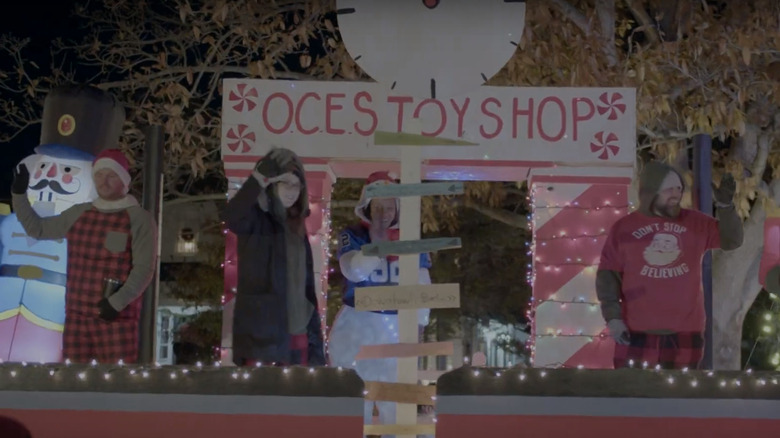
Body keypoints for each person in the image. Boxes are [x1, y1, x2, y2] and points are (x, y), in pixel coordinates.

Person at [0, 85, 122, 363]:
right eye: (45, 168)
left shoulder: (88, 226)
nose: (51, 177)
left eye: (67, 170)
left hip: (52, 310)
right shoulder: (11, 217)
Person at [11, 148, 157, 364]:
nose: (103, 181)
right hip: (77, 318)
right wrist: (19, 195)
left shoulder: (139, 219)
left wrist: (117, 302)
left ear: (124, 181)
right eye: (99, 174)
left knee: (118, 384)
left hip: (116, 319)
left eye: (111, 175)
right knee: (76, 386)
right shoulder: (79, 212)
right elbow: (38, 229)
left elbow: (144, 269)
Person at [597, 161, 743, 369]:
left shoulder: (696, 223)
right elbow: (608, 277)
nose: (675, 194)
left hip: (685, 332)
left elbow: (732, 240)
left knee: (680, 398)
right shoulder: (624, 229)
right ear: (650, 192)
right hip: (635, 331)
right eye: (668, 189)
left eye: (678, 188)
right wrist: (613, 318)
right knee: (631, 397)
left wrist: (726, 208)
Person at [328, 171, 432, 429]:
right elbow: (353, 270)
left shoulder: (413, 241)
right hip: (357, 328)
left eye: (388, 206)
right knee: (352, 407)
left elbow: (422, 288)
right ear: (367, 207)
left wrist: (419, 327)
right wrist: (377, 246)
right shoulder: (353, 235)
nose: (383, 213)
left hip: (395, 332)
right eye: (377, 206)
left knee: (395, 412)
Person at [221, 147, 325, 367]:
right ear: (270, 184)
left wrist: (315, 338)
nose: (291, 190)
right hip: (262, 339)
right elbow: (232, 217)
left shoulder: (297, 227)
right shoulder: (255, 219)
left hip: (300, 336)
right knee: (264, 400)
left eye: (296, 184)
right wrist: (257, 178)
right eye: (284, 182)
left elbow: (305, 287)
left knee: (299, 400)